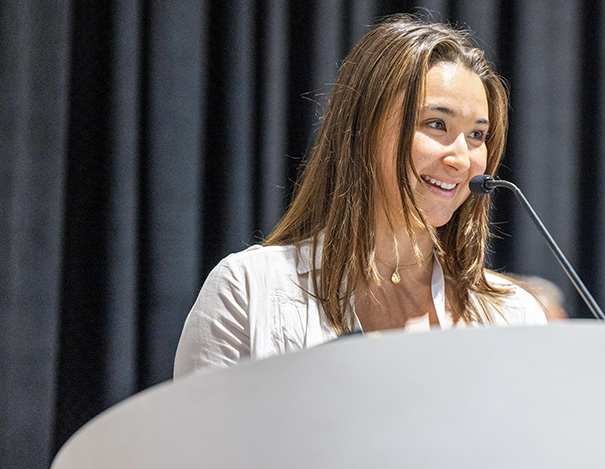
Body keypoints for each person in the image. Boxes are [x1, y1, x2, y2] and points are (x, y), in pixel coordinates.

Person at [173, 14, 547, 379]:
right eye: (436, 124)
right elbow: (197, 441)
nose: (462, 159)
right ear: (363, 131)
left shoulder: (514, 315)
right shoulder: (248, 290)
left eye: (477, 135)